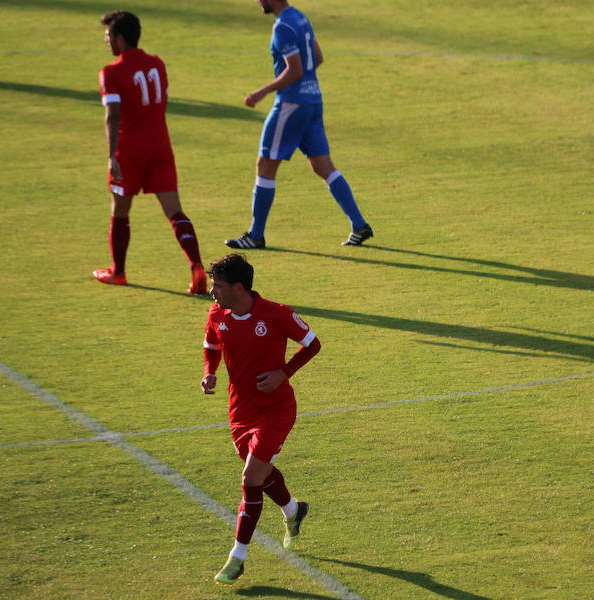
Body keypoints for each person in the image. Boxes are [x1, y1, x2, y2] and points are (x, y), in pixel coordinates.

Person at [201, 253, 321, 584]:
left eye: (219, 286)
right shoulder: (217, 313)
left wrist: (284, 373)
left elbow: (312, 344)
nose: (213, 292)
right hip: (240, 409)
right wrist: (209, 373)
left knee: (250, 479)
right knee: (261, 471)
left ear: (238, 287)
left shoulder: (277, 314)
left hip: (276, 410)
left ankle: (236, 558)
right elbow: (211, 345)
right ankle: (294, 510)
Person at [225, 0, 373, 250]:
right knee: (323, 166)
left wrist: (261, 92)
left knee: (266, 164)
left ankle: (255, 235)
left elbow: (294, 70)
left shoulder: (282, 26)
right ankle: (359, 225)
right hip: (313, 101)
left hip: (291, 104)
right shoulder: (300, 18)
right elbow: (317, 57)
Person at [94, 10, 207, 294]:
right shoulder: (157, 64)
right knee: (175, 211)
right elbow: (162, 101)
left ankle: (118, 272)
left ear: (120, 39)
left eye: (108, 36)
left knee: (120, 211)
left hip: (129, 150)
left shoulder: (111, 72)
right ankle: (196, 267)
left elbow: (113, 116)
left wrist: (111, 156)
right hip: (160, 145)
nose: (106, 42)